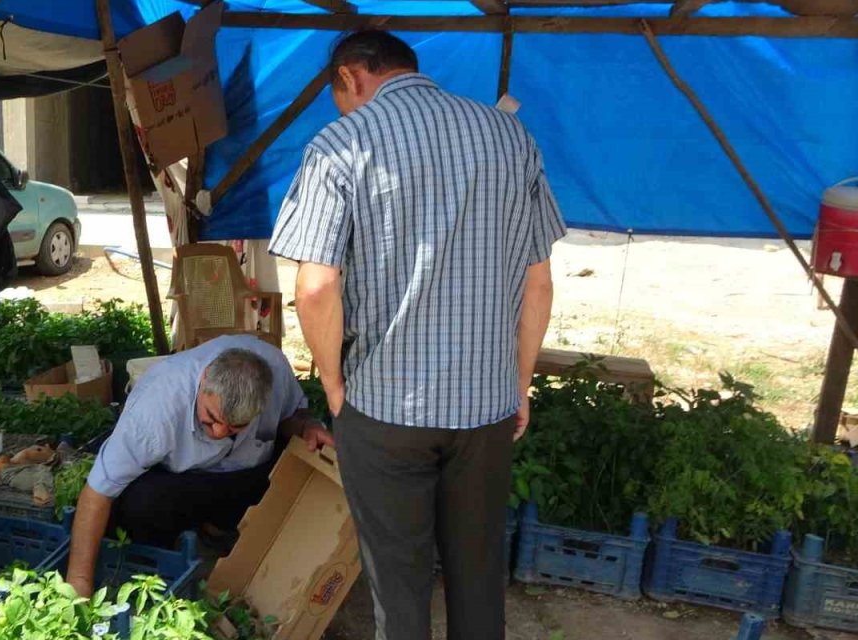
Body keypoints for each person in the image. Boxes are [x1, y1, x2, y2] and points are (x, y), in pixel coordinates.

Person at [269, 30, 566, 640]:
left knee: (398, 591)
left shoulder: (341, 144)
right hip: (485, 408)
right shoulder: (510, 136)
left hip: (384, 407)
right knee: (478, 578)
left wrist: (333, 386)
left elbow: (316, 287)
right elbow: (538, 283)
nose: (342, 107)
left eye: (338, 95)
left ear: (350, 76)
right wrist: (520, 384)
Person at [65, 334, 334, 598]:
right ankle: (170, 555)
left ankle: (219, 529)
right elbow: (98, 492)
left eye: (236, 427)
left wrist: (306, 427)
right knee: (139, 504)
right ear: (205, 379)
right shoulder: (154, 412)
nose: (219, 433)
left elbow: (291, 415)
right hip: (180, 480)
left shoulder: (276, 371)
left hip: (244, 474)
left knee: (291, 469)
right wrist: (79, 582)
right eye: (211, 418)